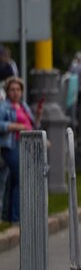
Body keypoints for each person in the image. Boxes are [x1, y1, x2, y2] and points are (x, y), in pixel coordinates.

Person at [0, 77, 36, 222]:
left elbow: (31, 124)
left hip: (24, 145)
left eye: (18, 90)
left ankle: (9, 215)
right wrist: (14, 126)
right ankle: (16, 217)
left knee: (14, 180)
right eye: (12, 90)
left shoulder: (23, 106)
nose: (15, 93)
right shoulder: (4, 106)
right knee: (21, 178)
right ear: (7, 91)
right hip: (10, 145)